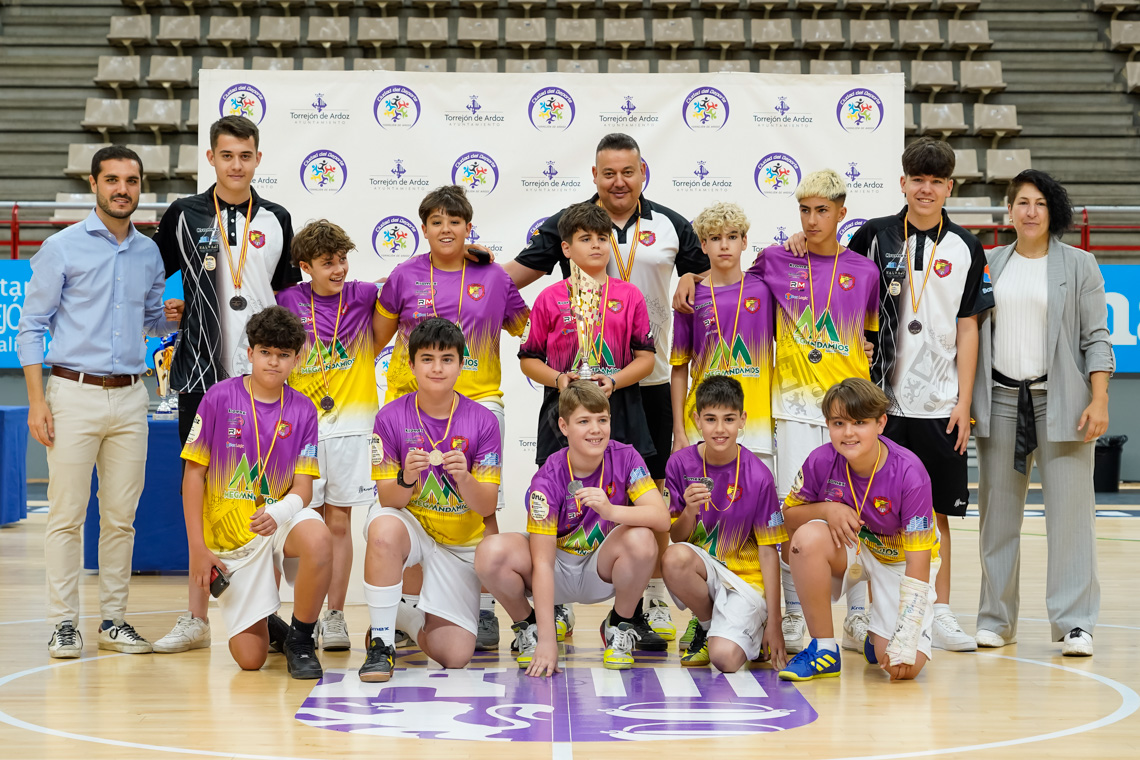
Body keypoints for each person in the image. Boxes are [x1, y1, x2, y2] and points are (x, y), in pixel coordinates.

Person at [506, 132, 709, 641]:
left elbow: (707, 273)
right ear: (594, 175)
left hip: (646, 384)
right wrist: (472, 270)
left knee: (649, 486)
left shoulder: (670, 224)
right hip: (568, 399)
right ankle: (557, 600)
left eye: (628, 171)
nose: (619, 181)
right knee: (559, 486)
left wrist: (693, 276)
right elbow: (516, 283)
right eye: (608, 172)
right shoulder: (565, 224)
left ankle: (646, 601)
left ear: (643, 171)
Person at [18, 145, 182, 658]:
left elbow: (150, 320)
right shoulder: (61, 247)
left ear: (140, 188)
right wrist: (36, 401)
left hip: (132, 396)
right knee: (66, 515)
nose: (122, 189)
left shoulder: (149, 252)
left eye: (131, 181)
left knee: (120, 518)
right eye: (112, 179)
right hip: (71, 394)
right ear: (93, 184)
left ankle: (113, 621)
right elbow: (31, 327)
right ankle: (64, 623)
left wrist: (168, 317)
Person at [838, 138, 994, 653]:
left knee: (937, 514)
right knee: (861, 506)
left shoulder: (967, 247)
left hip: (937, 404)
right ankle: (859, 613)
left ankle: (940, 611)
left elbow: (969, 328)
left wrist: (963, 401)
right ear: (903, 182)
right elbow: (844, 301)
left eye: (937, 181)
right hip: (876, 403)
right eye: (917, 180)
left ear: (950, 187)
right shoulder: (872, 236)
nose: (926, 189)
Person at [154, 115, 301, 653]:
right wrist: (168, 309)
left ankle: (268, 611)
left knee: (269, 491)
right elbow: (150, 273)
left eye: (246, 155)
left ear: (258, 159)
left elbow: (289, 300)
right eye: (227, 155)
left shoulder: (278, 218)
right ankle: (196, 616)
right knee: (200, 486)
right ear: (211, 158)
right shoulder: (183, 214)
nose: (236, 165)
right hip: (201, 372)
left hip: (267, 380)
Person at [374, 184, 529, 651]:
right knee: (414, 505)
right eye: (436, 222)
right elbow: (378, 336)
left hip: (481, 400)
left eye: (455, 222)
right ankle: (411, 611)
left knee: (483, 506)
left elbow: (523, 326)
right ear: (423, 229)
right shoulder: (404, 275)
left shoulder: (494, 277)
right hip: (413, 404)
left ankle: (484, 611)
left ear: (468, 228)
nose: (446, 229)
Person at [971, 170, 1113, 657]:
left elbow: (1096, 338)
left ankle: (1075, 623)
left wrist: (1099, 398)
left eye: (1039, 203)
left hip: (1063, 404)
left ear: (1053, 211)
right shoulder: (988, 263)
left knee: (1072, 519)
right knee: (997, 520)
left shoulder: (1080, 265)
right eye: (1021, 202)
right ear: (1008, 212)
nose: (1030, 211)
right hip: (1002, 402)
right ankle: (996, 619)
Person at [746, 169, 881, 654]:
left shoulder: (864, 270)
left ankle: (860, 614)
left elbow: (864, 341)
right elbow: (729, 287)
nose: (812, 218)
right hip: (794, 409)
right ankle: (797, 614)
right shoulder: (774, 260)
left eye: (822, 209)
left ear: (842, 213)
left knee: (859, 512)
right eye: (805, 210)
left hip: (848, 414)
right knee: (795, 517)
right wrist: (694, 278)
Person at [476, 381, 671, 675]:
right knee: (490, 552)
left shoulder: (626, 456)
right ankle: (529, 629)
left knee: (643, 538)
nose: (596, 429)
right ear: (564, 426)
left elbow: (662, 518)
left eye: (602, 420)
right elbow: (542, 562)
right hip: (555, 568)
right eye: (584, 421)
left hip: (600, 569)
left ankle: (619, 625)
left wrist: (610, 510)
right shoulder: (548, 477)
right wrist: (547, 639)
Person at [180, 306, 332, 679]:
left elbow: (304, 488)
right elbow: (193, 476)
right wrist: (198, 550)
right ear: (249, 353)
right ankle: (269, 623)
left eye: (283, 355)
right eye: (265, 352)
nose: (274, 362)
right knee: (251, 660)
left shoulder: (304, 409)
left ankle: (300, 638)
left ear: (298, 358)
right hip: (233, 539)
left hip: (278, 520)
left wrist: (280, 514)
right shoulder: (218, 397)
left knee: (319, 539)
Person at [357, 318, 502, 682]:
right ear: (411, 364)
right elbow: (389, 500)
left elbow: (486, 507)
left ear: (461, 364)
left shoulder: (483, 420)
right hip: (413, 528)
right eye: (427, 359)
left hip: (459, 545)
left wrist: (464, 477)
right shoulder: (389, 417)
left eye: (447, 359)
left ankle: (402, 614)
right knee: (384, 529)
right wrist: (407, 476)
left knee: (455, 656)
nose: (437, 368)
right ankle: (382, 643)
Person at [779, 378, 938, 682]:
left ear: (881, 423)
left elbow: (919, 561)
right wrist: (827, 509)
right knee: (805, 540)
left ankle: (878, 635)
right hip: (851, 549)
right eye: (839, 423)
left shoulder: (910, 472)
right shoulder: (821, 460)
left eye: (860, 422)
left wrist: (905, 635)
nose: (848, 432)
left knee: (901, 667)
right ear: (828, 425)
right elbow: (788, 516)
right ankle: (824, 649)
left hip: (900, 562)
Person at [275, 220, 382, 651]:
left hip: (354, 425)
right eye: (326, 263)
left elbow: (418, 275)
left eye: (342, 260)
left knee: (338, 522)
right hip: (300, 427)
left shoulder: (364, 295)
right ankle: (306, 615)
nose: (338, 269)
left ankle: (334, 617)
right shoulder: (286, 301)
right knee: (303, 525)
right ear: (305, 266)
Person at [662, 376, 787, 672]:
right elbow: (676, 536)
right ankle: (707, 626)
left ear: (743, 420)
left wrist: (777, 621)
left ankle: (756, 622)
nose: (720, 429)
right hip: (708, 570)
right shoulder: (679, 464)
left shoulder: (759, 475)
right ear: (697, 420)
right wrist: (690, 511)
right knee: (674, 558)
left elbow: (770, 551)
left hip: (746, 581)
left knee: (725, 661)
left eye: (729, 419)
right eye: (710, 419)